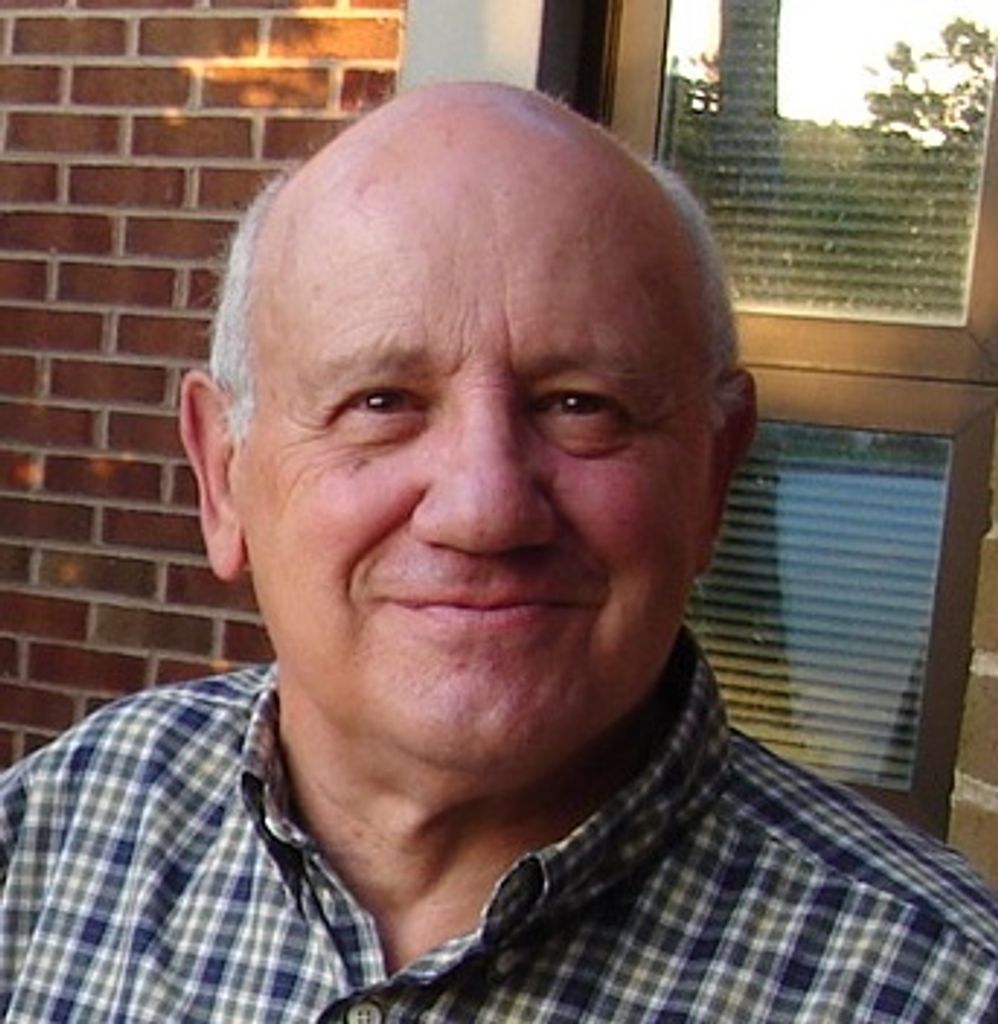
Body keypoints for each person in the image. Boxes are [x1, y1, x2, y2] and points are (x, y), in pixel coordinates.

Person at [1, 82, 995, 1023]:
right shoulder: (48, 844)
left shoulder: (942, 988)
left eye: (580, 406)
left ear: (713, 472)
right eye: (381, 402)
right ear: (223, 475)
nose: (484, 510)